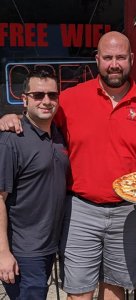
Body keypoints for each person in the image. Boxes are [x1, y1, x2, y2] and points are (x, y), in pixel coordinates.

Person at [0, 31, 136, 300]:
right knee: (79, 292)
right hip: (80, 210)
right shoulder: (69, 100)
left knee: (116, 289)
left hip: (128, 212)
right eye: (107, 57)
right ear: (97, 60)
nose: (114, 63)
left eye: (120, 57)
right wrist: (10, 118)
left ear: (131, 59)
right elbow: (37, 122)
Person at [0, 69, 69, 300]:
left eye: (52, 95)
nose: (46, 101)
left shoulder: (58, 136)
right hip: (24, 251)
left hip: (51, 246)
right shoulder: (12, 139)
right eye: (38, 95)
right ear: (24, 99)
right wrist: (3, 253)